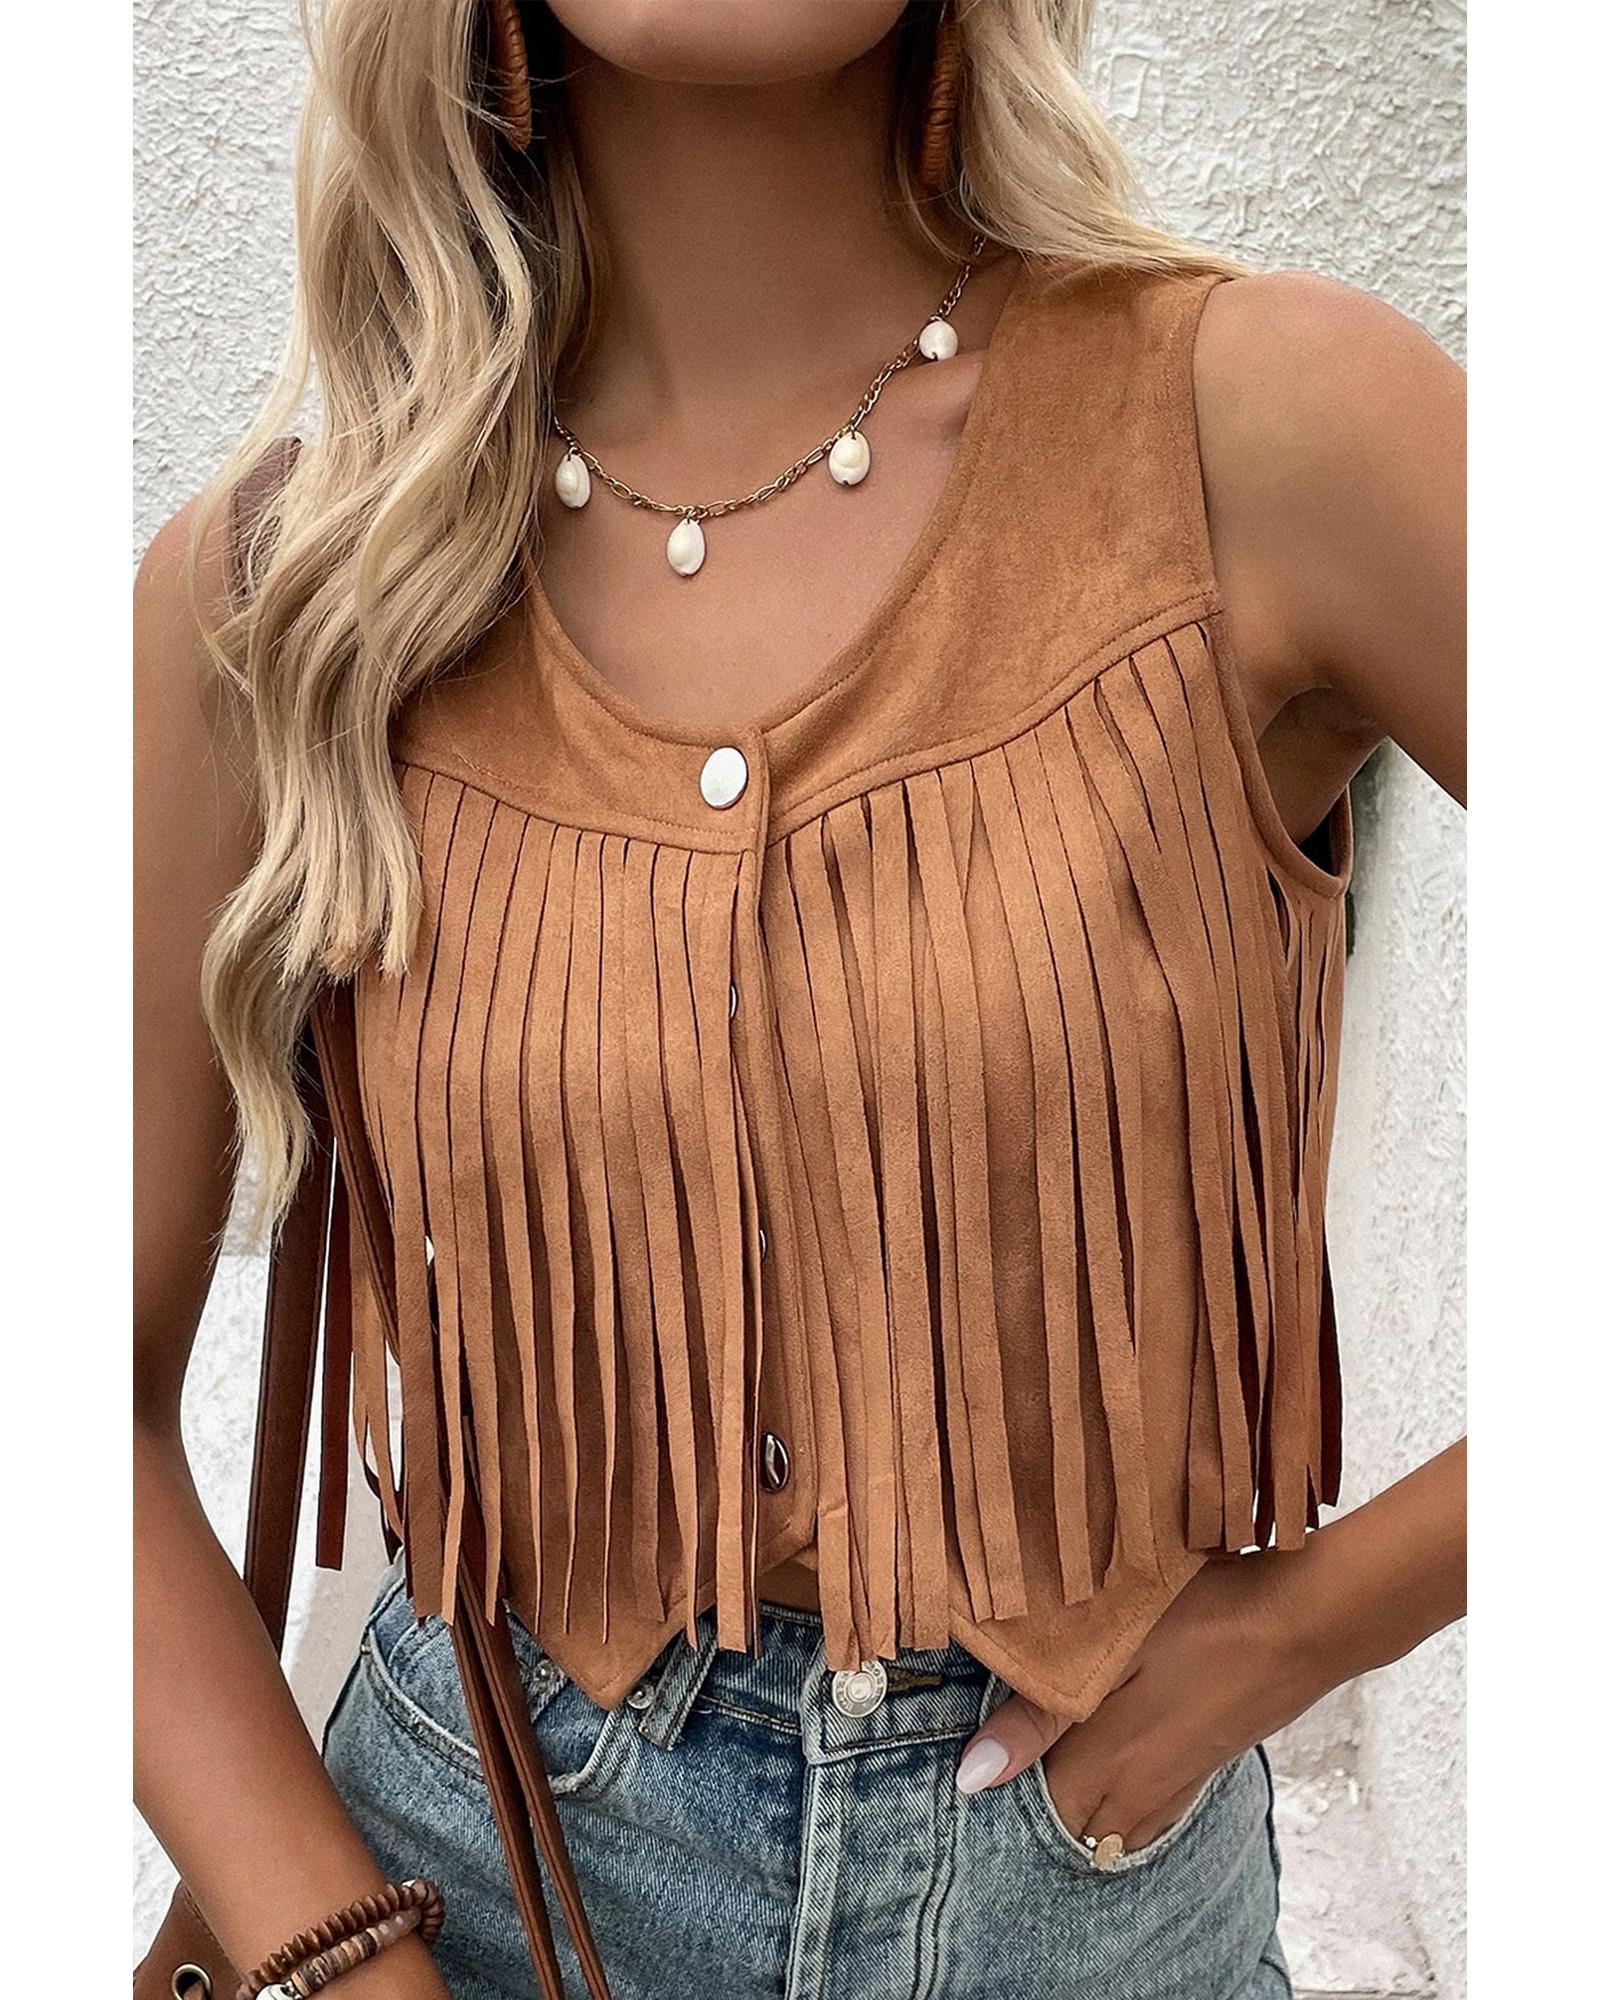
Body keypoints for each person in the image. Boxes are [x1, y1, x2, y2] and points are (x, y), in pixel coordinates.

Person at [134, 3, 1466, 1996]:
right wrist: (336, 1956)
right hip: (473, 1882)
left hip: (1090, 1894)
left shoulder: (1260, 430)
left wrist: (1313, 1625)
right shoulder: (293, 593)